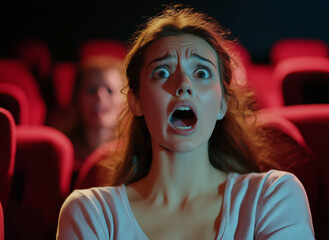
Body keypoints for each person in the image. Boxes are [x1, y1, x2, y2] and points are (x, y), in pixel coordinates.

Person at [57, 5, 315, 239]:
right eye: (162, 72)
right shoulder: (90, 213)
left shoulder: (273, 196)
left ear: (222, 103)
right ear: (136, 101)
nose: (183, 85)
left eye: (202, 73)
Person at [68, 55, 127, 172]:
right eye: (91, 90)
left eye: (109, 90)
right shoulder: (62, 151)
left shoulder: (133, 153)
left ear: (125, 100)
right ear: (77, 98)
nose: (100, 96)